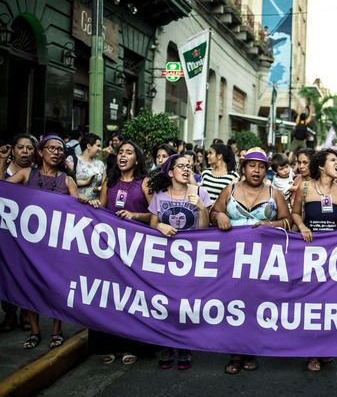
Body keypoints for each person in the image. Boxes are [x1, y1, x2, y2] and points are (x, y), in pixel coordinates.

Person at [210, 147, 292, 375]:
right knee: (233, 305)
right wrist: (221, 215)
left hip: (262, 262)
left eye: (261, 166)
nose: (256, 170)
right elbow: (212, 213)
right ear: (243, 167)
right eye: (252, 165)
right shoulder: (230, 188)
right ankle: (235, 352)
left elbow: (288, 222)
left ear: (266, 170)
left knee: (254, 305)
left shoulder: (274, 193)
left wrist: (270, 225)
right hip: (232, 260)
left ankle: (250, 350)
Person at [0, 134, 79, 350]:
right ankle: (35, 331)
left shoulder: (67, 180)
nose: (56, 152)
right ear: (41, 152)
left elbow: (78, 212)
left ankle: (56, 330)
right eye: (51, 148)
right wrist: (3, 160)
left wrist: (86, 202)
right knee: (30, 287)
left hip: (57, 246)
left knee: (56, 288)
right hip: (31, 246)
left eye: (60, 149)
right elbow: (3, 191)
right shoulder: (26, 174)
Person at [88, 141, 152, 365]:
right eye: (121, 152)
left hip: (135, 250)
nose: (123, 156)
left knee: (131, 298)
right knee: (109, 298)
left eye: (129, 152)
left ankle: (130, 345)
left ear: (137, 158)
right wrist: (95, 204)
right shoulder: (109, 181)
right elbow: (103, 209)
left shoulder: (145, 182)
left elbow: (155, 216)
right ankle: (109, 346)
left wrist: (135, 216)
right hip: (110, 250)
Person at [148, 154, 211, 370]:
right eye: (181, 166)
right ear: (170, 172)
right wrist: (160, 227)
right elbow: (152, 223)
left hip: (191, 259)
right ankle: (165, 345)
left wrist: (201, 207)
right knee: (165, 303)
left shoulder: (200, 192)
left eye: (189, 166)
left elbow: (204, 230)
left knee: (186, 303)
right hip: (164, 259)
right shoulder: (159, 195)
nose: (186, 169)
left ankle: (184, 347)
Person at [291, 148, 337, 371]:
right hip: (308, 253)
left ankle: (324, 349)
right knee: (310, 304)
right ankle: (311, 353)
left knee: (328, 305)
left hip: (331, 255)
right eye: (333, 160)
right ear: (321, 166)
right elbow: (295, 213)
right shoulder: (305, 187)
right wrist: (303, 226)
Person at [0, 133, 36, 333]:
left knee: (26, 273)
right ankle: (10, 313)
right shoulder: (5, 168)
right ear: (13, 149)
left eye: (29, 148)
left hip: (29, 233)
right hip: (5, 231)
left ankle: (26, 313)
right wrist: (2, 161)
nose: (25, 151)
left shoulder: (38, 173)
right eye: (21, 147)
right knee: (6, 272)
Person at [68, 133, 106, 202]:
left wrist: (99, 189)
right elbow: (66, 181)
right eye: (98, 145)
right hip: (76, 204)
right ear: (88, 146)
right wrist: (86, 182)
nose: (100, 149)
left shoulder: (100, 164)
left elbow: (104, 185)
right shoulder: (73, 160)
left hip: (94, 206)